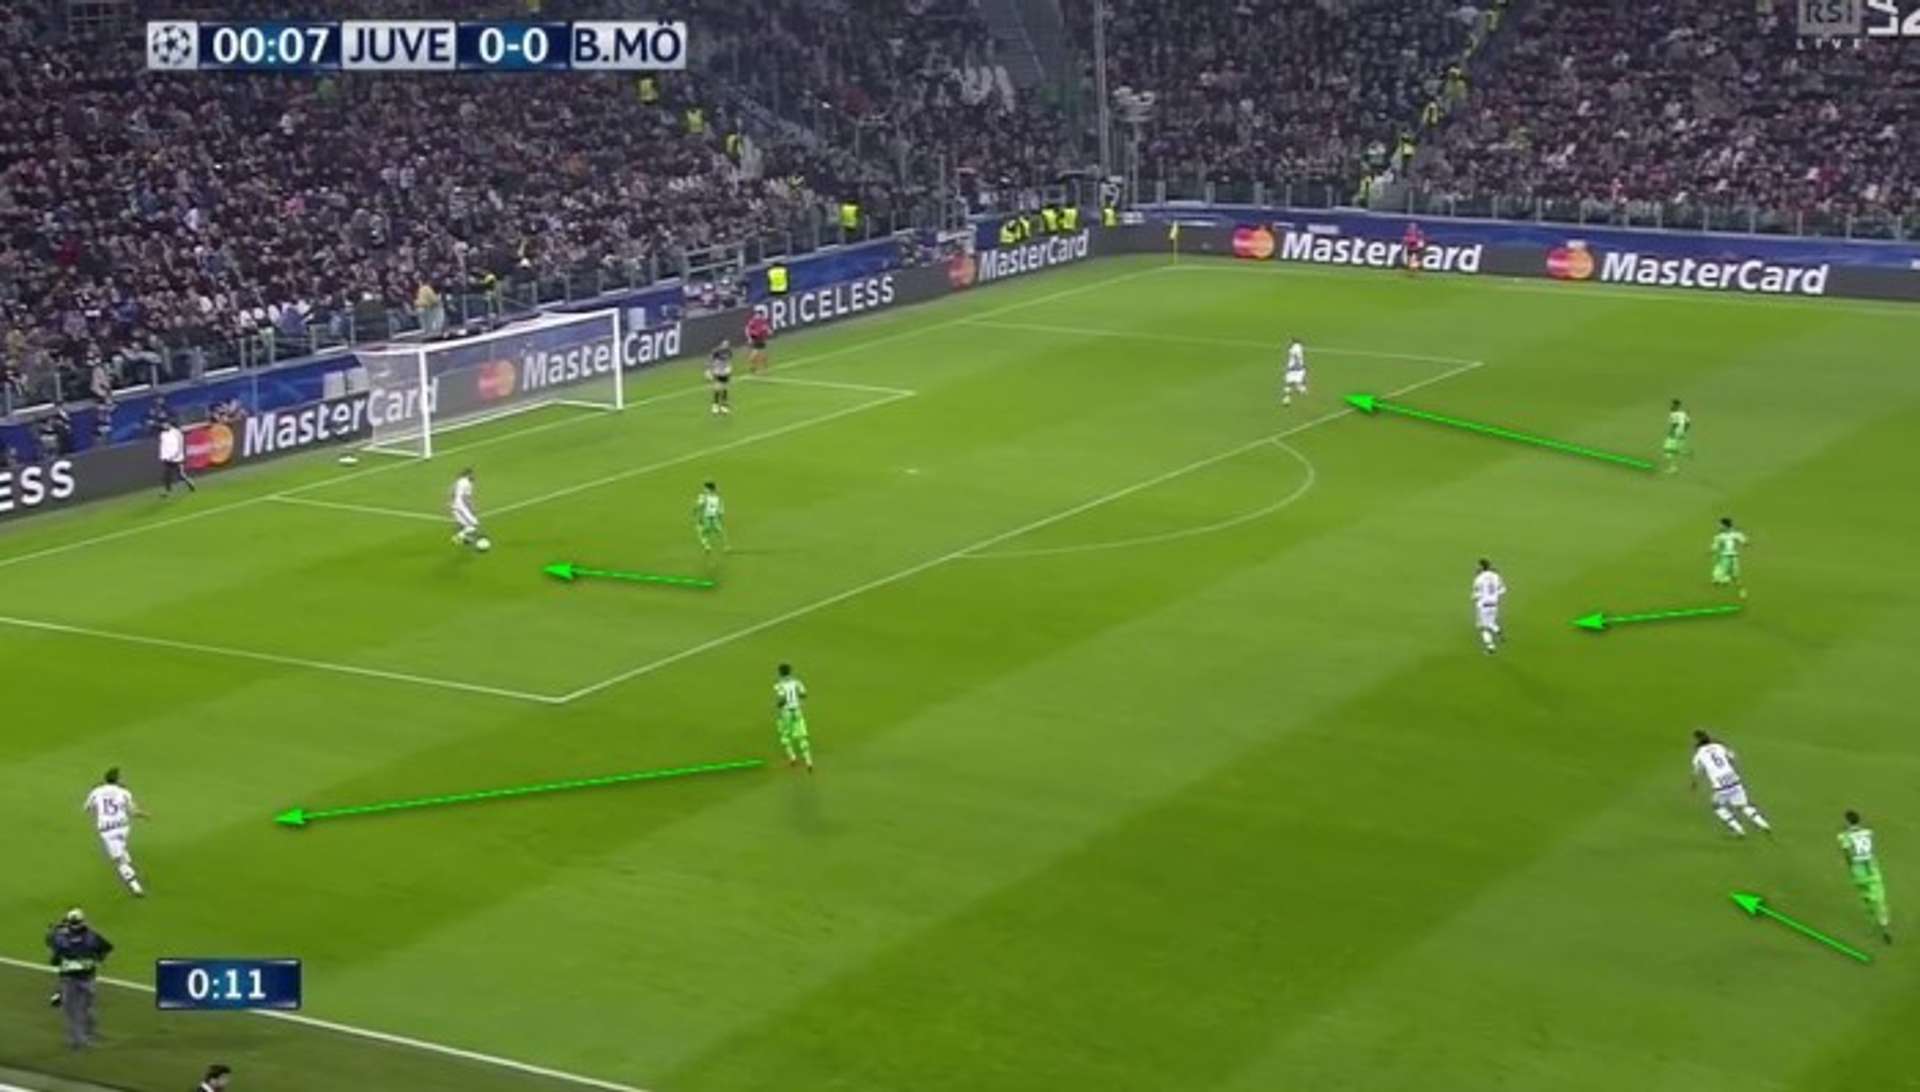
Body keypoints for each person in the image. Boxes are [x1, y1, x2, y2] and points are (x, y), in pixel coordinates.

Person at [45, 908, 113, 1049]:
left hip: (70, 980)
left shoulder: (61, 938)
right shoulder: (92, 936)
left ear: (69, 923)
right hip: (88, 978)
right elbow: (107, 947)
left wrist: (56, 929)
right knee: (87, 1007)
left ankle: (79, 1040)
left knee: (72, 1011)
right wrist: (99, 958)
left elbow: (52, 951)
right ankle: (90, 1033)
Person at [1689, 730, 1771, 837]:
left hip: (1720, 785)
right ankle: (1763, 824)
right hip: (1733, 778)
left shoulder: (1699, 754)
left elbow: (1696, 772)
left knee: (1717, 806)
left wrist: (1693, 785)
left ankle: (1738, 830)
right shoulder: (1719, 746)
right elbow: (1733, 757)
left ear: (1697, 741)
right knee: (1743, 805)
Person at [84, 767, 147, 896]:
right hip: (123, 827)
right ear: (117, 779)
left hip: (107, 830)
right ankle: (125, 859)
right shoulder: (124, 792)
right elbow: (133, 812)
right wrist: (144, 814)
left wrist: (98, 811)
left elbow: (87, 808)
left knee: (119, 861)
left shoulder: (96, 791)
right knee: (121, 850)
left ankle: (135, 886)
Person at [1839, 811, 1892, 944]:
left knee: (1866, 897)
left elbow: (1847, 854)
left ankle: (1873, 922)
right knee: (1879, 898)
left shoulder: (1844, 836)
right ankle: (1884, 925)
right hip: (1872, 868)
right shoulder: (1868, 831)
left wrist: (1851, 867)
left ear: (1847, 821)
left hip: (1859, 871)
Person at [774, 662, 813, 770]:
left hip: (786, 712)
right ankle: (809, 761)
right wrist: (797, 699)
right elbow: (804, 694)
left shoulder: (779, 685)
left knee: (785, 735)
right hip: (797, 710)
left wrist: (777, 705)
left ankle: (792, 758)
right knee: (802, 736)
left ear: (780, 673)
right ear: (790, 672)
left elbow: (783, 699)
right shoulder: (797, 682)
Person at [1470, 558, 1505, 654]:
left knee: (1483, 628)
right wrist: (1494, 596)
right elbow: (1503, 590)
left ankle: (1490, 648)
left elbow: (1476, 594)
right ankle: (1498, 632)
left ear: (1481, 567)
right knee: (1491, 622)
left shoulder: (1478, 578)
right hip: (1494, 604)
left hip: (1483, 605)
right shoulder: (1496, 576)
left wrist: (1473, 597)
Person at [1711, 516, 1748, 598]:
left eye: (1720, 525)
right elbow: (1715, 547)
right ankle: (1725, 580)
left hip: (1731, 558)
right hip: (1728, 557)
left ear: (1725, 525)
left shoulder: (1733, 534)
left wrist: (1744, 541)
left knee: (1734, 577)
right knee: (1728, 576)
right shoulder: (1720, 536)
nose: (1719, 526)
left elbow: (1744, 542)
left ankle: (1728, 581)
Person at [159, 419, 195, 497]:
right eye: (162, 424)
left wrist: (174, 455)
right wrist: (163, 456)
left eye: (165, 424)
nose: (164, 426)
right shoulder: (163, 434)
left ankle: (190, 483)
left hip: (177, 458)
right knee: (167, 475)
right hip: (168, 458)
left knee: (180, 475)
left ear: (169, 424)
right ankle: (167, 491)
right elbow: (164, 446)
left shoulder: (177, 432)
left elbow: (179, 446)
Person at [449, 467, 483, 548]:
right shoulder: (468, 483)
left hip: (457, 506)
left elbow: (452, 491)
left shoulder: (459, 481)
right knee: (473, 525)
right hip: (461, 507)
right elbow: (465, 498)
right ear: (468, 474)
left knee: (465, 525)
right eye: (473, 474)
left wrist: (451, 502)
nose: (474, 476)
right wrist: (472, 508)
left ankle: (465, 539)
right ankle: (456, 538)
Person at [693, 481, 727, 554]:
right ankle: (725, 546)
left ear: (708, 489)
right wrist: (720, 515)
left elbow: (700, 505)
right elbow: (721, 508)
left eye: (705, 488)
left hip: (706, 517)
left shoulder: (704, 497)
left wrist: (695, 511)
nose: (704, 489)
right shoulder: (718, 496)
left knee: (702, 532)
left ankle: (707, 546)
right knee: (719, 531)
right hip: (715, 517)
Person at [1663, 398, 1692, 474]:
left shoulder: (1673, 414)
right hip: (1682, 434)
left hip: (1674, 435)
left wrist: (1673, 433)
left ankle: (1673, 468)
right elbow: (1688, 424)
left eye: (1673, 404)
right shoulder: (1683, 413)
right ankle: (1685, 452)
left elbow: (1674, 425)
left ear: (1677, 405)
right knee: (1677, 447)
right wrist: (1683, 431)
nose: (1671, 406)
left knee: (1668, 450)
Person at [707, 338, 733, 415]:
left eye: (727, 344)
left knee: (725, 389)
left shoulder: (729, 352)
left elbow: (729, 361)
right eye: (725, 344)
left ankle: (724, 406)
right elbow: (711, 360)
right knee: (717, 388)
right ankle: (715, 406)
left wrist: (729, 368)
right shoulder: (716, 351)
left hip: (725, 372)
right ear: (721, 344)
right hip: (717, 371)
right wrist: (710, 370)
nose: (726, 345)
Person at [1282, 337, 1308, 407]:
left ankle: (1287, 399)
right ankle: (1300, 388)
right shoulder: (1298, 347)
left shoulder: (1295, 348)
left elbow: (1296, 356)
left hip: (1294, 368)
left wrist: (1296, 365)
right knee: (1301, 376)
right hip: (1297, 368)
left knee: (1288, 383)